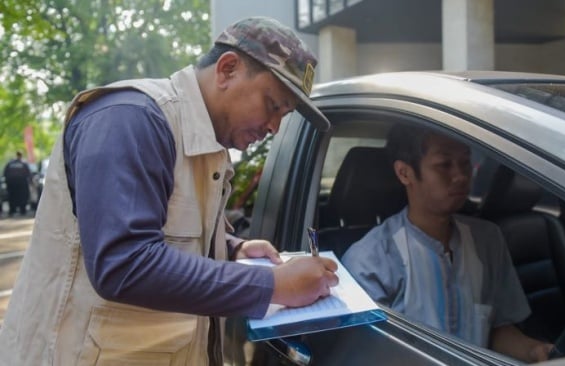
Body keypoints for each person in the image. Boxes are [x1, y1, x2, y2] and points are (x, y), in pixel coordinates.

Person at [0, 17, 339, 366]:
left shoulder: (207, 144)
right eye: (273, 105)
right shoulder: (130, 120)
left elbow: (171, 232)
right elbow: (125, 264)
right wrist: (272, 285)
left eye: (284, 115)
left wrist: (232, 248)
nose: (274, 127)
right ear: (227, 69)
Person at [342, 125, 553, 363]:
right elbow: (368, 353)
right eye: (444, 165)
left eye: (465, 163)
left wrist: (534, 352)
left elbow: (496, 329)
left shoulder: (487, 240)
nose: (461, 176)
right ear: (404, 173)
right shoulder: (370, 259)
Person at [3, 151, 31, 216]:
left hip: (11, 183)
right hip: (22, 183)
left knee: (12, 196)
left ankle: (12, 210)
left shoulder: (10, 163)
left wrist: (7, 182)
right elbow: (28, 173)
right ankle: (22, 210)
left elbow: (5, 173)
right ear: (21, 156)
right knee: (23, 196)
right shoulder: (24, 163)